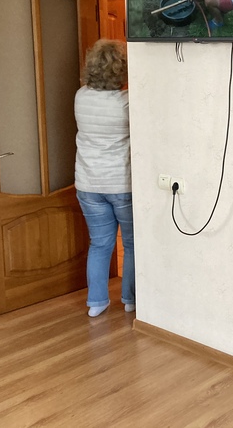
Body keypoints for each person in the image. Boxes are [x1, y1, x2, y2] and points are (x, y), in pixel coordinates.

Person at [74, 39, 134, 318]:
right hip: (121, 184)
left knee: (99, 244)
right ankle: (130, 299)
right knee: (131, 243)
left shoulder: (81, 96)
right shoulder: (127, 102)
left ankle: (96, 302)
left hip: (88, 183)